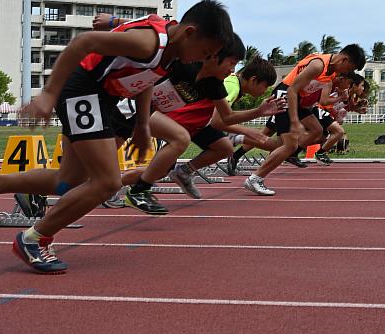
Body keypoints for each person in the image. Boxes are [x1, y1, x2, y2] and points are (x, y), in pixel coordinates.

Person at [0, 0, 233, 274]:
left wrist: (141, 126)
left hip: (102, 97)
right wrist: (49, 94)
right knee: (107, 182)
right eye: (205, 52)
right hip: (82, 89)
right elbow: (83, 42)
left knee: (68, 181)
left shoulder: (172, 53)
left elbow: (147, 78)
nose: (204, 59)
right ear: (190, 32)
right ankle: (34, 239)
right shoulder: (149, 43)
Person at [118, 36, 285, 215]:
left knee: (223, 147)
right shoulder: (230, 85)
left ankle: (182, 172)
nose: (231, 70)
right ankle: (115, 186)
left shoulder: (219, 83)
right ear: (253, 80)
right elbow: (219, 121)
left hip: (194, 126)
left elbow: (223, 118)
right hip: (175, 121)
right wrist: (248, 132)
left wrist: (257, 116)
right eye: (231, 63)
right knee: (160, 167)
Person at [239, 45, 365, 195]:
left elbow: (320, 93)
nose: (349, 73)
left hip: (301, 101)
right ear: (344, 59)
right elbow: (292, 89)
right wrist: (295, 121)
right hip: (286, 95)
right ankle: (255, 178)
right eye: (350, 68)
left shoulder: (332, 72)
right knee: (289, 145)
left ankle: (240, 139)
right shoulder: (318, 65)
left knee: (313, 132)